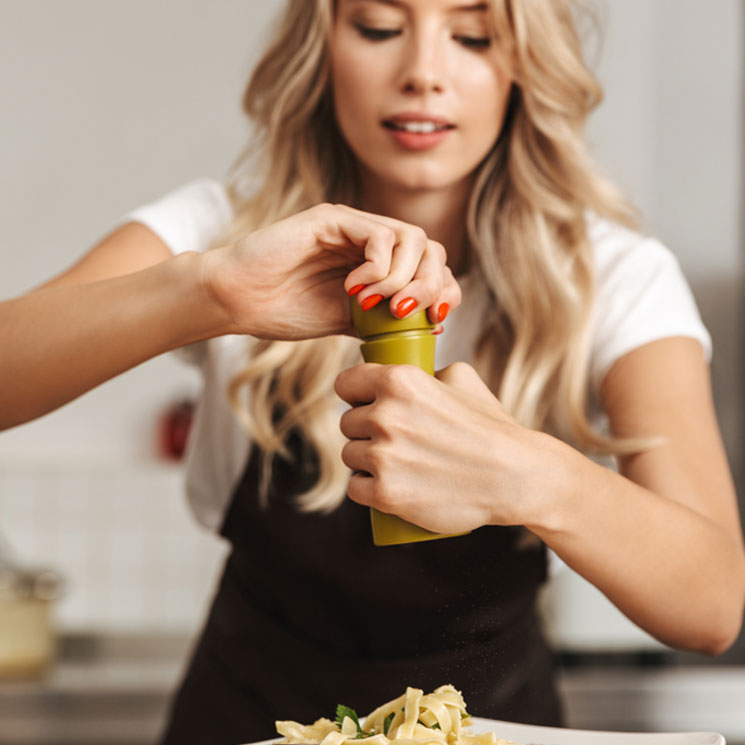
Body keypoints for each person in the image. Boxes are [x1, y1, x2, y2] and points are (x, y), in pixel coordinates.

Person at [1, 0, 744, 742]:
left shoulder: (615, 278)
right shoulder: (220, 235)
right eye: (379, 28)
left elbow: (712, 605)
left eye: (472, 35)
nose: (422, 73)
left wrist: (533, 476)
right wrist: (209, 291)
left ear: (522, 65)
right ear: (320, 49)